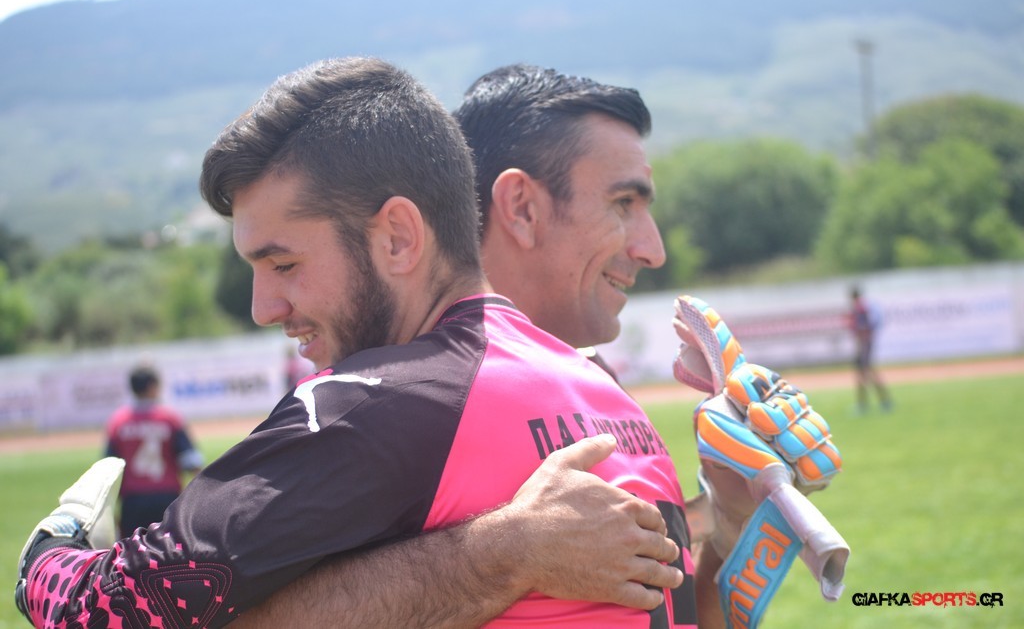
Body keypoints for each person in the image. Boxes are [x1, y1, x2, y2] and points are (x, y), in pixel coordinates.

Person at [16, 57, 687, 628]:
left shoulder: (380, 401)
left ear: (398, 237)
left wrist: (50, 551)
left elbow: (107, 611)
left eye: (284, 264)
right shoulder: (610, 398)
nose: (263, 308)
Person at [235, 64, 728, 627]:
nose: (652, 249)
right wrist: (501, 553)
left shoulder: (603, 391)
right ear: (520, 207)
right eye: (623, 203)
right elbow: (184, 602)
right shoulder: (389, 408)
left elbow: (663, 607)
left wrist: (732, 522)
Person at [104, 363, 204, 535]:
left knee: (131, 549)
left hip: (132, 501)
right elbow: (191, 461)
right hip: (167, 497)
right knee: (170, 549)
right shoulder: (169, 418)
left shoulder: (118, 421)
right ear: (152, 386)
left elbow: (108, 469)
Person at [848, 285, 893, 412]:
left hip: (864, 344)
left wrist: (861, 339)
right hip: (864, 344)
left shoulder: (860, 309)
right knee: (865, 374)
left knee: (866, 374)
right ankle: (877, 402)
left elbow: (863, 327)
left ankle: (875, 402)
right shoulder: (864, 307)